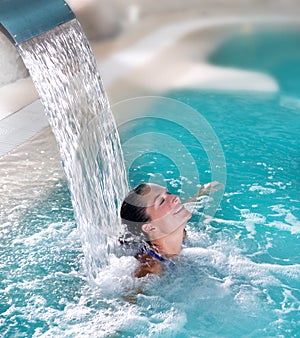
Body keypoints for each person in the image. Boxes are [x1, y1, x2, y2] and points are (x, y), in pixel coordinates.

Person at [120, 181, 222, 278]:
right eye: (162, 201)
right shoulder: (151, 268)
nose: (176, 197)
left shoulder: (179, 233)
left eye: (168, 193)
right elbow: (130, 294)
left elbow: (179, 209)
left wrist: (202, 192)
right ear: (150, 227)